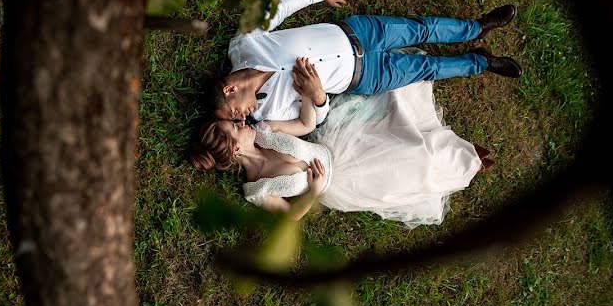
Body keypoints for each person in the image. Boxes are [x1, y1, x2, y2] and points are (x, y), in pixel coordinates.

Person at [192, 58, 489, 227]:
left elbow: (306, 124)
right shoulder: (254, 190)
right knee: (413, 165)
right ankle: (468, 163)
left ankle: (461, 153)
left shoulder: (265, 130)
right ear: (234, 149)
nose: (241, 122)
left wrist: (310, 94)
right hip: (342, 184)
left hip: (342, 145)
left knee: (403, 124)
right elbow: (290, 218)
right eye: (234, 127)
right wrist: (314, 191)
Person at [212, 0, 521, 128]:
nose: (242, 118)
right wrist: (317, 96)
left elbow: (276, 11)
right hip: (367, 75)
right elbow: (310, 123)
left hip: (358, 32)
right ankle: (482, 62)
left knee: (420, 30)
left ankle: (477, 28)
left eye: (233, 113)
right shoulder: (267, 113)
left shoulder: (243, 46)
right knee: (427, 67)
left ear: (230, 90)